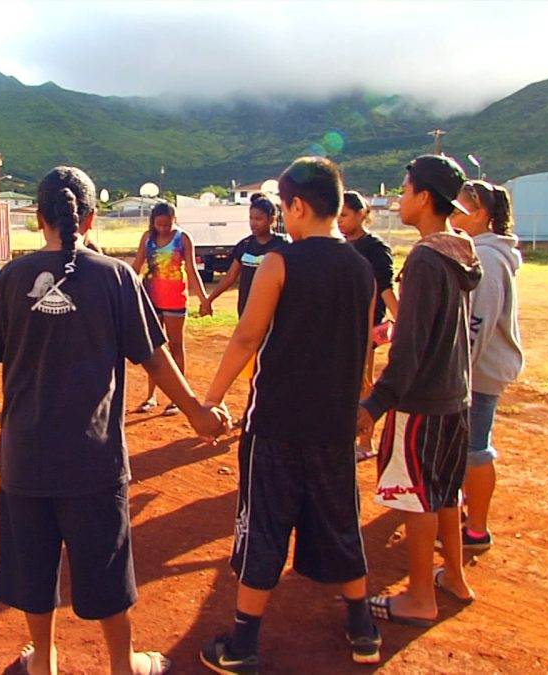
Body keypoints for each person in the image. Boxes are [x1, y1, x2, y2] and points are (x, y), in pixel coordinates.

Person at [0, 166, 230, 675]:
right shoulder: (115, 276)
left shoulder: (13, 278)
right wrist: (195, 413)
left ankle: (43, 664)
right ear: (91, 216)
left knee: (33, 568)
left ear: (39, 219)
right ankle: (123, 666)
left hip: (25, 458)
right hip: (94, 459)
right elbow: (154, 355)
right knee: (106, 568)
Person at [199, 157, 381, 671]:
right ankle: (363, 629)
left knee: (263, 528)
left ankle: (242, 644)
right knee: (342, 520)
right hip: (334, 426)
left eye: (284, 206)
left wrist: (211, 399)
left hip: (276, 424)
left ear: (298, 206)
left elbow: (247, 337)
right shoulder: (361, 268)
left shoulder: (282, 262)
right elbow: (363, 349)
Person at [357, 154, 482, 625]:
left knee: (416, 496)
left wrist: (374, 404)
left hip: (422, 402)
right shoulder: (460, 250)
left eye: (406, 190)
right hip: (455, 394)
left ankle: (418, 599)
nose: (401, 199)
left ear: (424, 197)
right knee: (445, 491)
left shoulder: (428, 258)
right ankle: (454, 576)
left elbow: (409, 352)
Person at [449, 179, 523, 553]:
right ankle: (463, 513)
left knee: (476, 449)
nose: (453, 214)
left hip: (476, 373)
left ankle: (476, 529)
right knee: (465, 446)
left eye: (460, 208)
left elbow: (479, 320)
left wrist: (459, 373)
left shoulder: (489, 258)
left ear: (479, 214)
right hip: (471, 370)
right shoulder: (479, 251)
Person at [338, 190, 400, 461]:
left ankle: (366, 441)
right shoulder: (340, 245)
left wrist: (403, 322)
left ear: (362, 214)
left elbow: (385, 287)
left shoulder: (375, 248)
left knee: (364, 381)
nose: (340, 221)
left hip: (367, 324)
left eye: (345, 215)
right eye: (337, 215)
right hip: (341, 321)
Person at [132, 202, 210, 416]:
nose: (164, 228)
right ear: (153, 222)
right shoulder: (147, 238)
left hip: (175, 298)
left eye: (167, 224)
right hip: (151, 298)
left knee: (176, 346)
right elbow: (136, 266)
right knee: (153, 348)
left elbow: (192, 271)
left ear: (174, 220)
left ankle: (178, 399)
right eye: (159, 225)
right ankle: (150, 396)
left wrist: (204, 299)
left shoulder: (182, 238)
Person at [199, 193, 289, 319]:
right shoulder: (244, 245)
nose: (253, 223)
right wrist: (209, 300)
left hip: (273, 311)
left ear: (272, 219)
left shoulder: (283, 246)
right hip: (246, 309)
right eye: (251, 218)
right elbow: (230, 276)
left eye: (258, 219)